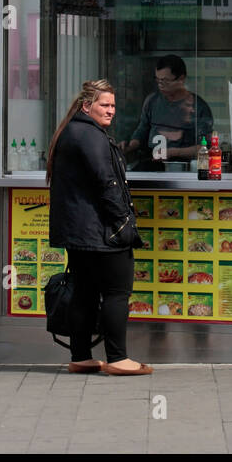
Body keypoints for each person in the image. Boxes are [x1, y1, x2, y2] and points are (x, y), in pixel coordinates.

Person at [46, 79, 152, 376]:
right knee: (117, 293)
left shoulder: (74, 131)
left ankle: (82, 356)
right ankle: (118, 358)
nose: (110, 111)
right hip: (101, 231)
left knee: (85, 292)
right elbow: (107, 182)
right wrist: (123, 221)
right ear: (86, 106)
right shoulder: (90, 136)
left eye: (113, 105)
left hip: (81, 232)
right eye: (104, 105)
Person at [121, 55, 214, 171]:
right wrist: (129, 146)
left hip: (185, 169)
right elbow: (142, 130)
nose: (160, 84)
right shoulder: (152, 101)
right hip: (152, 166)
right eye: (157, 80)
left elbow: (206, 147)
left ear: (181, 79)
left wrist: (173, 152)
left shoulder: (199, 107)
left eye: (165, 80)